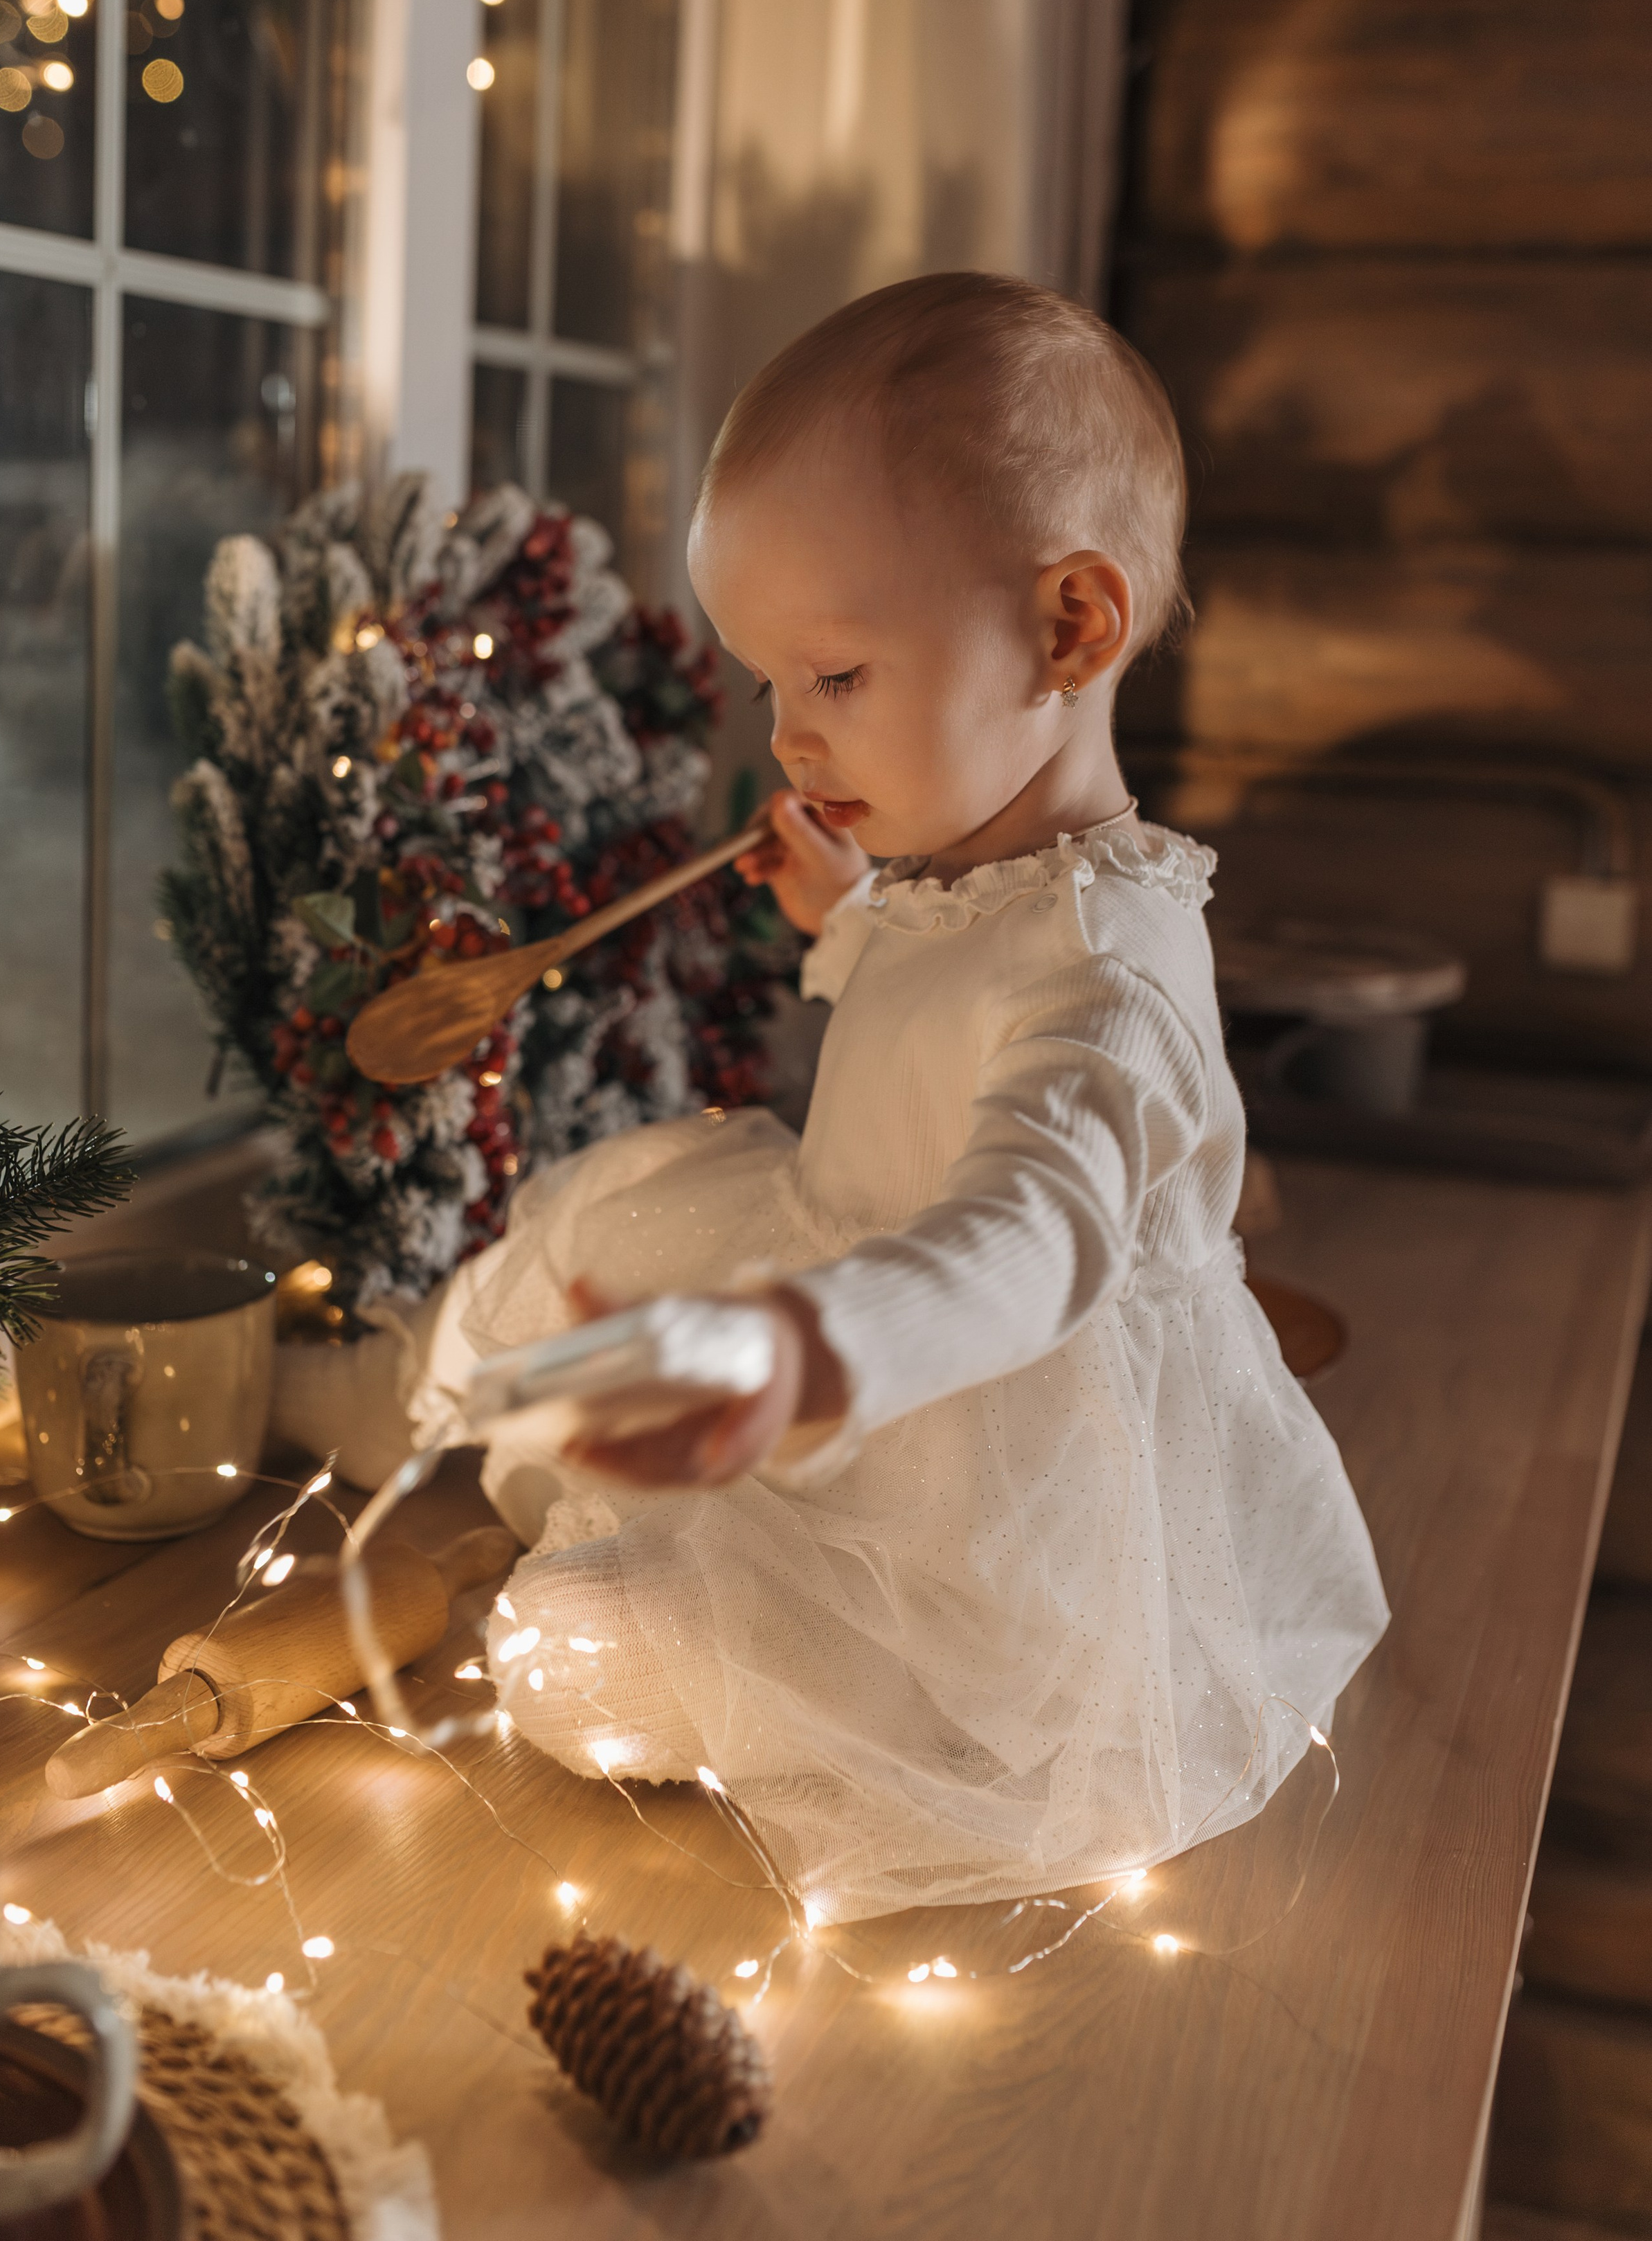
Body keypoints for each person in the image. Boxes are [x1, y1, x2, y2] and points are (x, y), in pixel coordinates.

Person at [416, 271, 1388, 1925]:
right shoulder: (975, 873)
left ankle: (728, 1621)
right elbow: (936, 994)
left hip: (1001, 1480)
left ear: (1067, 629)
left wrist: (809, 1349)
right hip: (841, 1303)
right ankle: (446, 1423)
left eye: (837, 676)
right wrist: (847, 921)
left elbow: (1027, 1234)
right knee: (546, 1303)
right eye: (767, 686)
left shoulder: (1114, 968)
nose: (788, 740)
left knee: (569, 1658)